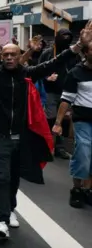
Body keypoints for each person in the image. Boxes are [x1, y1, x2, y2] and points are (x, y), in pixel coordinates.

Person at [0, 23, 86, 239]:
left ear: (20, 56)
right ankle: (1, 221)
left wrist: (78, 46)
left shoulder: (28, 73)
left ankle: (10, 211)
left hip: (22, 136)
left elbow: (54, 62)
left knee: (14, 177)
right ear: (0, 57)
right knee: (3, 178)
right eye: (6, 54)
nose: (9, 57)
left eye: (14, 54)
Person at [54, 30, 92, 208]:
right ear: (85, 53)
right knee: (83, 152)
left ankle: (87, 190)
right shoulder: (76, 73)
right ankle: (76, 189)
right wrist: (58, 123)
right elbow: (66, 99)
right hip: (83, 120)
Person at [39, 28, 79, 159]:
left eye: (68, 37)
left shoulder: (73, 55)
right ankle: (48, 145)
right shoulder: (48, 53)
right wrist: (47, 77)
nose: (66, 39)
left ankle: (59, 147)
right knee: (51, 119)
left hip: (66, 93)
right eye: (63, 36)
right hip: (50, 91)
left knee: (62, 121)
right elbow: (39, 70)